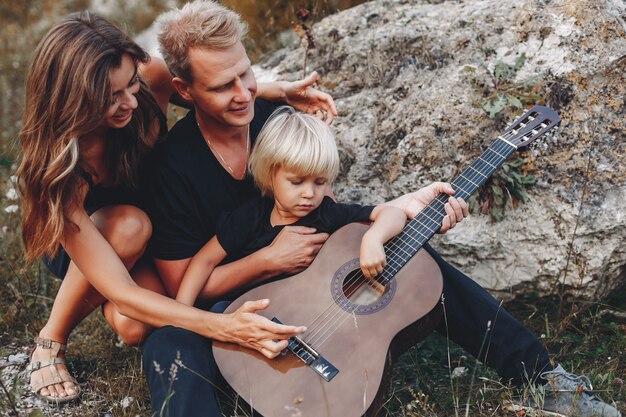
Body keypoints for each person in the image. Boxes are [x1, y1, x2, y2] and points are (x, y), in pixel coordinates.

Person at [141, 2, 622, 417]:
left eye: (246, 74)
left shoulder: (275, 119)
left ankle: (543, 378)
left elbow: (332, 212)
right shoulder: (172, 169)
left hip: (311, 292)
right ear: (184, 91)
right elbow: (183, 290)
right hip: (234, 313)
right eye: (224, 86)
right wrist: (265, 261)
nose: (244, 93)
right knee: (166, 343)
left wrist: (409, 207)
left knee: (414, 259)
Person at [17, 10, 339, 404]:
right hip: (99, 235)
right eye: (109, 98)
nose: (129, 103)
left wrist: (274, 89)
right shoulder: (63, 167)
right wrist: (224, 327)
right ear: (73, 101)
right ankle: (50, 341)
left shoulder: (148, 80)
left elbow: (202, 82)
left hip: (153, 217)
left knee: (133, 326)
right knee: (129, 234)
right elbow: (121, 289)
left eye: (130, 85)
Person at [175, 106, 466, 308]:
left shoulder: (324, 213)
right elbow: (203, 262)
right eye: (297, 181)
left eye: (319, 182)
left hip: (307, 317)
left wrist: (373, 238)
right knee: (220, 310)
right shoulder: (250, 216)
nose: (309, 194)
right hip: (249, 313)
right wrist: (182, 315)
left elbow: (390, 212)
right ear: (270, 173)